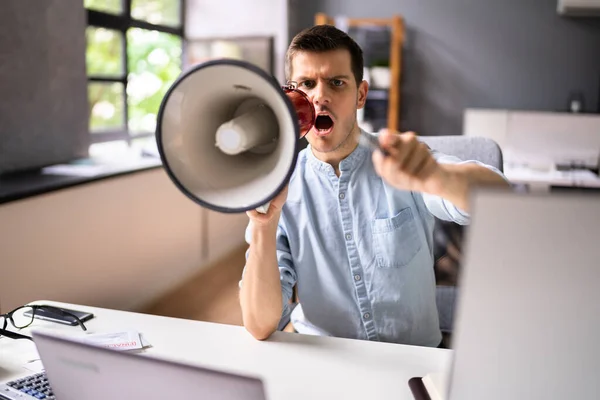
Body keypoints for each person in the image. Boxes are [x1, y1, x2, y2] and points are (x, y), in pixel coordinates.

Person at [238, 24, 508, 347]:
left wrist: (437, 177)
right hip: (326, 360)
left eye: (336, 83)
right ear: (290, 97)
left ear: (360, 94)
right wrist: (263, 225)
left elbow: (501, 202)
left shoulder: (405, 161)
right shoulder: (282, 183)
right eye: (307, 84)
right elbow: (259, 324)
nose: (320, 96)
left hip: (411, 361)